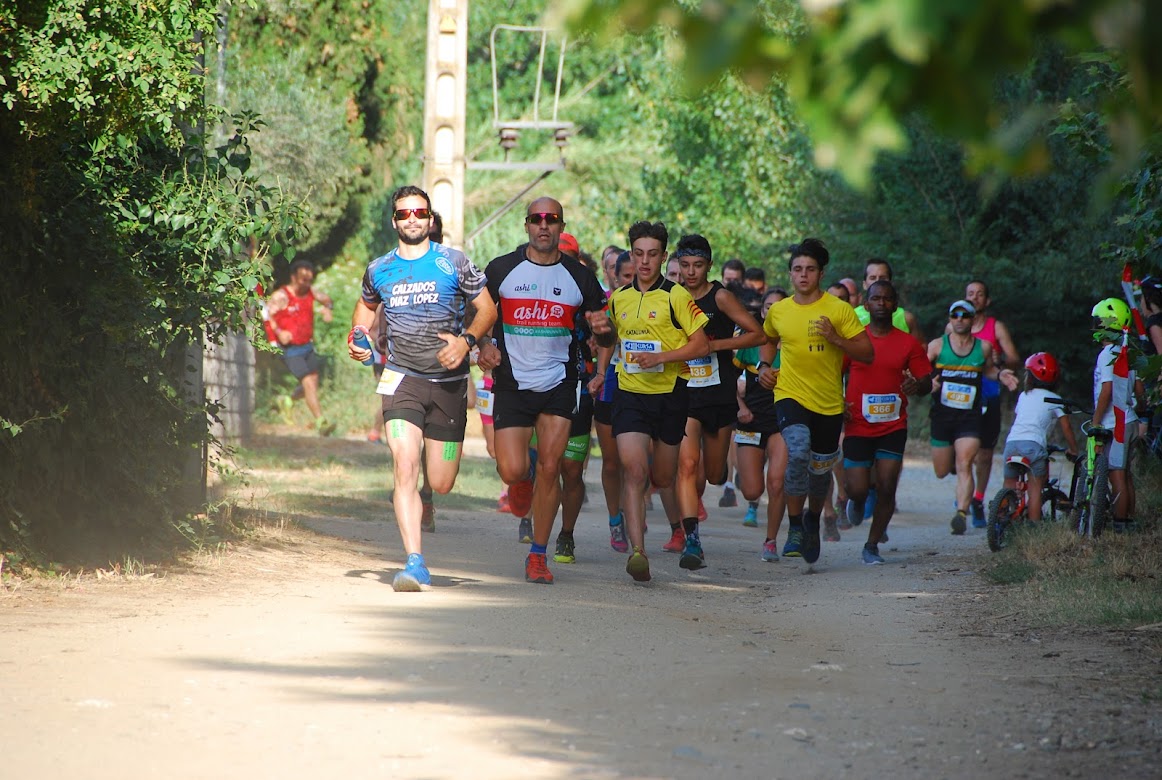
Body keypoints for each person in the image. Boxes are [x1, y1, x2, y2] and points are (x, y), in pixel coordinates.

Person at [348, 185, 497, 592]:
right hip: (402, 379)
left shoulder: (453, 262)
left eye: (419, 212)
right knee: (404, 465)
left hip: (448, 385)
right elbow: (364, 313)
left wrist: (467, 342)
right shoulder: (379, 268)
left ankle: (432, 501)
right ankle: (414, 561)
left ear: (430, 220)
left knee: (441, 480)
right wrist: (359, 338)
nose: (411, 219)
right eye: (403, 214)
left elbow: (487, 309)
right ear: (394, 221)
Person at [476, 198, 612, 585]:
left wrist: (603, 333)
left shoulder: (579, 277)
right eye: (537, 219)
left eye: (551, 220)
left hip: (560, 382)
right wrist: (484, 343)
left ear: (560, 225)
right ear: (527, 226)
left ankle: (539, 555)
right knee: (513, 469)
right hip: (512, 382)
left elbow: (605, 332)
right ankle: (520, 483)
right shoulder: (502, 269)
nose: (544, 226)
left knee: (551, 469)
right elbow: (478, 314)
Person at [594, 221, 710, 582]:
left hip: (670, 396)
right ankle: (638, 552)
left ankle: (684, 531)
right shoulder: (620, 297)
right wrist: (600, 372)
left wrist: (661, 358)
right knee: (634, 471)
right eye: (639, 254)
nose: (645, 262)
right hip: (629, 396)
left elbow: (701, 344)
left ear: (663, 256)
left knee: (661, 476)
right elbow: (610, 339)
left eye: (653, 254)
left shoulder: (676, 296)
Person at [759, 238, 873, 565]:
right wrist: (765, 367)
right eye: (797, 269)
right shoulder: (779, 310)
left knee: (821, 470)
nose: (803, 275)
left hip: (828, 402)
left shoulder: (839, 310)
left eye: (810, 269)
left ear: (821, 273)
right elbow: (768, 339)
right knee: (797, 452)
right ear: (791, 274)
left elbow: (866, 352)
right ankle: (794, 526)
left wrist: (836, 339)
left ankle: (811, 519)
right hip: (790, 394)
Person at [661, 234, 765, 569]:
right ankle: (692, 540)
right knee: (687, 466)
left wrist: (714, 345)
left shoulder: (720, 296)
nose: (691, 272)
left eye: (698, 265)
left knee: (716, 474)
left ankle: (708, 481)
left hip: (719, 395)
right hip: (684, 391)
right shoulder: (670, 296)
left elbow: (757, 334)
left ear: (709, 265)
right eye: (685, 266)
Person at [842, 281, 934, 564]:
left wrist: (915, 386)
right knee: (857, 487)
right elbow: (834, 373)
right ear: (865, 305)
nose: (881, 303)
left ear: (895, 305)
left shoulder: (907, 343)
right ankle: (857, 499)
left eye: (887, 299)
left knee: (888, 484)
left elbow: (926, 381)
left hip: (893, 425)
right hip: (858, 423)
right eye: (876, 299)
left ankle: (871, 545)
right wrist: (838, 401)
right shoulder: (854, 340)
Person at [927, 299, 1008, 535]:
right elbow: (920, 370)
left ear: (973, 320)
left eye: (965, 315)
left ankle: (961, 513)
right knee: (942, 471)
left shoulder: (983, 348)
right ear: (950, 319)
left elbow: (989, 370)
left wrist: (1002, 375)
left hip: (970, 416)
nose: (960, 318)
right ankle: (951, 455)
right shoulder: (936, 346)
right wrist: (927, 381)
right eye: (955, 315)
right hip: (942, 416)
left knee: (965, 464)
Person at [734, 287, 789, 561]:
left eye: (779, 307)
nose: (772, 311)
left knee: (776, 483)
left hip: (783, 420)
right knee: (752, 490)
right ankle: (748, 486)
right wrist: (740, 407)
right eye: (769, 307)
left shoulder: (795, 344)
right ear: (763, 311)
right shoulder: (749, 342)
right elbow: (728, 380)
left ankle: (771, 540)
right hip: (751, 419)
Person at [960, 280, 1020, 528]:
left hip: (988, 395)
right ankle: (963, 495)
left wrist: (1000, 361)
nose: (975, 298)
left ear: (987, 301)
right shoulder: (955, 324)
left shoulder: (996, 327)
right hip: (960, 396)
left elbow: (1014, 358)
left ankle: (977, 499)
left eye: (980, 294)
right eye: (970, 294)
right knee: (962, 454)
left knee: (983, 456)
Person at [996, 352, 1078, 522]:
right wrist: (1073, 449)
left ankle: (1000, 519)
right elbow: (1066, 427)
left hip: (1012, 443)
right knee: (1035, 492)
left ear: (1029, 377)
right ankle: (1033, 528)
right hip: (1033, 445)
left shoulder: (1024, 396)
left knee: (1009, 483)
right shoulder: (1055, 399)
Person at [592, 251, 636, 553]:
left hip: (643, 389)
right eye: (627, 277)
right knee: (611, 462)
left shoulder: (660, 302)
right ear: (615, 278)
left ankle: (634, 507)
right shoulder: (609, 307)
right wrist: (600, 372)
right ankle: (615, 518)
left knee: (635, 462)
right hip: (611, 389)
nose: (634, 281)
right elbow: (604, 346)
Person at [265, 259, 336, 435]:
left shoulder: (311, 292)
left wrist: (328, 308)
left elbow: (328, 300)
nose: (306, 284)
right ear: (293, 277)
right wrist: (278, 333)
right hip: (289, 348)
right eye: (302, 280)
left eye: (309, 280)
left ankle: (286, 401)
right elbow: (267, 317)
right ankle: (321, 422)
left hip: (307, 346)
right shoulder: (281, 296)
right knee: (308, 384)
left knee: (312, 384)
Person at [1091, 298, 1144, 531]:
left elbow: (1107, 389)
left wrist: (1096, 420)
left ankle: (1120, 523)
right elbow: (1140, 390)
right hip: (1130, 419)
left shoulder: (1107, 354)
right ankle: (1128, 518)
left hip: (1117, 423)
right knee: (1125, 473)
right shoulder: (1128, 352)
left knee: (1116, 474)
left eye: (1097, 322)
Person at [853, 258, 924, 339]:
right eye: (872, 278)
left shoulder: (907, 319)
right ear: (864, 284)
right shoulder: (852, 317)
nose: (877, 281)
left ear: (890, 282)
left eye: (882, 278)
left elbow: (921, 347)